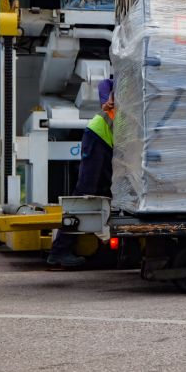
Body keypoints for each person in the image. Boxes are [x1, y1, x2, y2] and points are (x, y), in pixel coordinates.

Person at [47, 78, 115, 267]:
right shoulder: (133, 75)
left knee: (108, 192)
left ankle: (107, 250)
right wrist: (105, 101)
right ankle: (59, 251)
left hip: (112, 143)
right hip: (98, 135)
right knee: (85, 191)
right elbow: (105, 83)